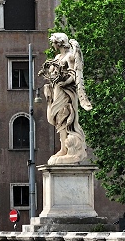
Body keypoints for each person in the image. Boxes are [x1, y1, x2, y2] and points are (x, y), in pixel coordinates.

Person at [39, 32, 93, 165]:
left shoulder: (70, 56)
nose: (52, 45)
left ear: (59, 42)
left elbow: (74, 74)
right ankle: (63, 148)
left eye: (53, 42)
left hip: (65, 93)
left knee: (64, 119)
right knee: (57, 119)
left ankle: (66, 149)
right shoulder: (57, 57)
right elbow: (53, 72)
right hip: (56, 90)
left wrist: (65, 82)